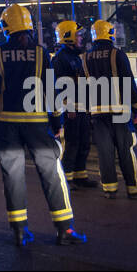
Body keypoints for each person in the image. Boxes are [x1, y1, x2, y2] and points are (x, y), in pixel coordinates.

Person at [0, 3, 86, 246]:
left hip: (6, 125)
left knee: (13, 177)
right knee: (52, 175)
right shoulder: (41, 54)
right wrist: (57, 120)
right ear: (28, 26)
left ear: (6, 27)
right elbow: (52, 90)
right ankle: (64, 230)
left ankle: (19, 231)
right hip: (38, 125)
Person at [84, 19, 137, 200]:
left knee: (105, 152)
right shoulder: (117, 54)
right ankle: (135, 188)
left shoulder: (85, 57)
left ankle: (109, 189)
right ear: (110, 33)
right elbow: (128, 81)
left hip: (97, 113)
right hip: (119, 110)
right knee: (127, 149)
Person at [51, 20, 96, 189]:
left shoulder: (75, 58)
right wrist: (68, 107)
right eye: (78, 35)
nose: (81, 39)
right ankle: (66, 178)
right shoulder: (60, 59)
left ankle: (80, 175)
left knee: (84, 141)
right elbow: (59, 86)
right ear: (68, 36)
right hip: (70, 109)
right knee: (71, 143)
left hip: (81, 107)